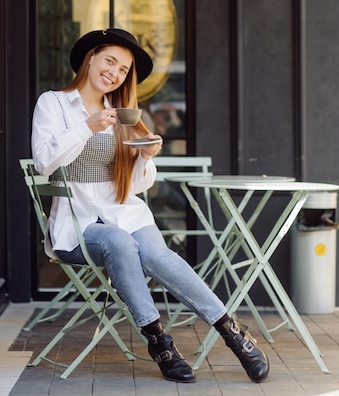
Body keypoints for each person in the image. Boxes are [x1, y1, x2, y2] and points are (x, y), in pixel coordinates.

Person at [31, 27, 270, 384]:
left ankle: (232, 332)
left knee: (157, 255)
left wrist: (145, 157)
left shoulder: (122, 113)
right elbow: (43, 163)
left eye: (124, 69)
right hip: (79, 226)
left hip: (125, 212)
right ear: (90, 57)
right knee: (119, 242)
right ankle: (160, 343)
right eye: (109, 61)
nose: (114, 73)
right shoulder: (53, 104)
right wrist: (85, 127)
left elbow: (140, 185)